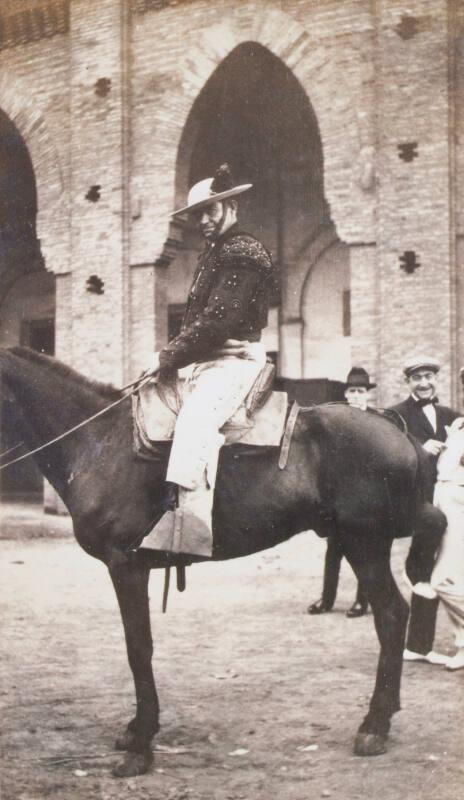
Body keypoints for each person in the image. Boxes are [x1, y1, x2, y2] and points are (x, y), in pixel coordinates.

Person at [145, 164, 274, 557]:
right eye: (197, 214)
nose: (203, 220)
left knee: (195, 421)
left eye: (210, 211)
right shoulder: (215, 253)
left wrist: (166, 356)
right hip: (207, 362)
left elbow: (217, 321)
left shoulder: (243, 252)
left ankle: (190, 531)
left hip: (234, 361)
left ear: (231, 206)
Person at [388, 356, 460, 665]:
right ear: (408, 382)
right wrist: (420, 448)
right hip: (414, 499)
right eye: (417, 377)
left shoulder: (451, 416)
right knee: (426, 569)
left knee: (434, 574)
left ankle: (418, 645)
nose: (424, 382)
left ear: (436, 379)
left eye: (429, 376)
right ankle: (412, 568)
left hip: (447, 500)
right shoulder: (396, 415)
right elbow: (389, 454)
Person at [307, 367, 374, 618]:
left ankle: (362, 600)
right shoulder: (337, 422)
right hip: (339, 496)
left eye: (361, 391)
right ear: (346, 394)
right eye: (352, 391)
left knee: (365, 550)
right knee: (334, 550)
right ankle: (327, 599)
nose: (356, 395)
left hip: (368, 497)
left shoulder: (378, 422)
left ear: (367, 395)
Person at [430, 415, 464, 670]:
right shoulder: (459, 423)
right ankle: (462, 645)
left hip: (459, 500)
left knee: (442, 580)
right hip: (442, 497)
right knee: (455, 577)